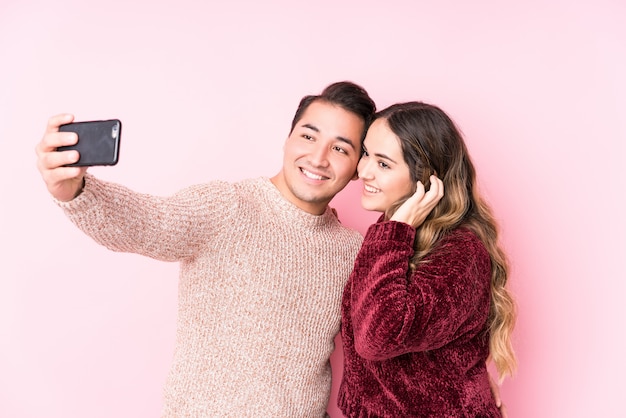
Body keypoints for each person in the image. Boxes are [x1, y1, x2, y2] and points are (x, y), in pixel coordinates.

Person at [35, 81, 376, 417]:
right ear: (287, 140)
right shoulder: (228, 205)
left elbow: (381, 351)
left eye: (340, 148)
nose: (318, 157)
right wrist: (75, 190)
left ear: (359, 167)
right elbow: (145, 223)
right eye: (308, 136)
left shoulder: (354, 251)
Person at [338, 101, 517, 417]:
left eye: (384, 164)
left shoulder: (460, 253)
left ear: (426, 178)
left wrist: (396, 230)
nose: (362, 171)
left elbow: (375, 338)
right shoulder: (394, 232)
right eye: (366, 154)